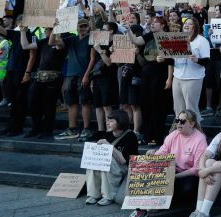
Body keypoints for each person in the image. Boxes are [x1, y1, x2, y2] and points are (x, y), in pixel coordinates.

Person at [126, 109, 208, 217]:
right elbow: (162, 153)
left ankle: (161, 202)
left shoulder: (200, 139)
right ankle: (140, 210)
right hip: (172, 169)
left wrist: (174, 176)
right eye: (177, 120)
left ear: (192, 123)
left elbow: (196, 168)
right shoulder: (173, 135)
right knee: (147, 166)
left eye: (182, 121)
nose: (178, 123)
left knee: (187, 187)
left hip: (189, 175)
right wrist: (153, 155)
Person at [127, 16, 174, 146]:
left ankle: (157, 136)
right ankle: (147, 135)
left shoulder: (168, 37)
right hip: (147, 73)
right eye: (152, 23)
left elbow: (171, 61)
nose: (152, 25)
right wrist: (128, 29)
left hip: (160, 73)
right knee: (145, 104)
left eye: (155, 23)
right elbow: (135, 40)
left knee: (158, 105)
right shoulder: (149, 35)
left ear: (163, 25)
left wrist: (169, 78)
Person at [85, 110, 139, 206]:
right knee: (93, 162)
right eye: (107, 121)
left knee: (107, 162)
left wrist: (110, 146)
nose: (107, 123)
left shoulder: (130, 136)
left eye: (111, 121)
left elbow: (123, 161)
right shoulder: (109, 134)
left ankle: (108, 196)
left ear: (120, 122)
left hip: (127, 168)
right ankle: (94, 194)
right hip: (113, 165)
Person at [53, 18, 93, 141]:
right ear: (76, 28)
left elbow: (93, 58)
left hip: (83, 73)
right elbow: (57, 43)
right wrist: (56, 29)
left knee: (85, 102)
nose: (83, 28)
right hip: (71, 74)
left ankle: (86, 129)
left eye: (85, 26)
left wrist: (87, 75)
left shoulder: (91, 39)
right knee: (71, 102)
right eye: (81, 26)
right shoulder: (71, 39)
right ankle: (72, 128)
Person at [171, 17, 211, 116]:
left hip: (193, 79)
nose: (186, 25)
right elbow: (171, 58)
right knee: (178, 109)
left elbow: (207, 61)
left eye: (190, 24)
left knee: (191, 110)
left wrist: (197, 60)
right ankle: (180, 130)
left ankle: (195, 131)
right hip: (177, 77)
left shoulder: (201, 40)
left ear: (195, 27)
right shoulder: (176, 39)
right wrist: (163, 58)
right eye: (185, 23)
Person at [86, 22, 120, 137]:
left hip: (108, 78)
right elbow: (95, 62)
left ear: (111, 31)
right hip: (97, 77)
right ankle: (100, 130)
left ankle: (109, 131)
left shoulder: (115, 43)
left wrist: (100, 51)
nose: (101, 31)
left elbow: (109, 63)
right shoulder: (100, 42)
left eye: (104, 29)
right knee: (98, 105)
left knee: (106, 105)